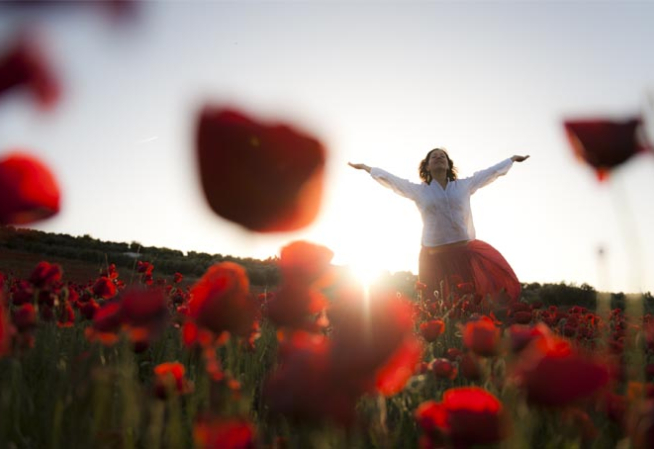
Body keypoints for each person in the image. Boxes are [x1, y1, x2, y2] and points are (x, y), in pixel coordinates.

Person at [349, 149, 529, 305]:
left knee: (465, 302)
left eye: (442, 156)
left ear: (449, 165)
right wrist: (367, 168)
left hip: (461, 254)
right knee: (434, 304)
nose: (438, 157)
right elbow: (392, 181)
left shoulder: (464, 185)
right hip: (432, 257)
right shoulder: (419, 190)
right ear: (426, 166)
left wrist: (511, 159)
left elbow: (490, 173)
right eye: (433, 157)